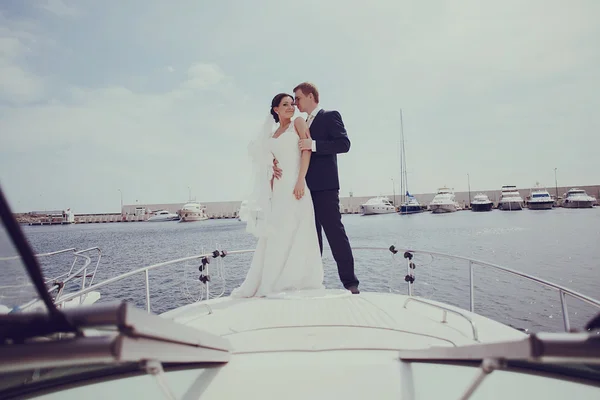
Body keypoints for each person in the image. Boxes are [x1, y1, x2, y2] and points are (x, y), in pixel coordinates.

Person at [232, 93, 324, 298]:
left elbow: (306, 151)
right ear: (276, 109)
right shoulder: (272, 135)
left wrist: (301, 180)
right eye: (285, 104)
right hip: (279, 190)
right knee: (278, 232)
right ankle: (271, 279)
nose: (291, 107)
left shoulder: (298, 123)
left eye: (293, 103)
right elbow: (266, 162)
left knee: (298, 229)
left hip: (296, 184)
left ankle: (294, 279)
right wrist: (271, 167)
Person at [273, 82, 359, 294]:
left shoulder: (330, 116)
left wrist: (314, 145)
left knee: (335, 234)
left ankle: (350, 283)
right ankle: (311, 282)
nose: (296, 103)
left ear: (310, 96)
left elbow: (344, 144)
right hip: (302, 190)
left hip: (325, 187)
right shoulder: (297, 124)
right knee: (311, 238)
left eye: (298, 98)